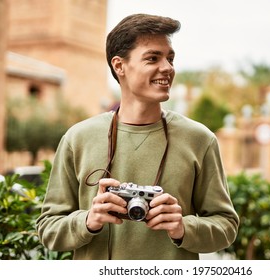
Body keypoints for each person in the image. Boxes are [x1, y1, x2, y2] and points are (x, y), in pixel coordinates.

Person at [36, 13, 239, 260]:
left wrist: (182, 227)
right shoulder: (77, 139)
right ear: (119, 66)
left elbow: (226, 226)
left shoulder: (200, 140)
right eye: (153, 58)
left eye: (170, 58)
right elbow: (48, 229)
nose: (167, 68)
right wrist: (88, 220)